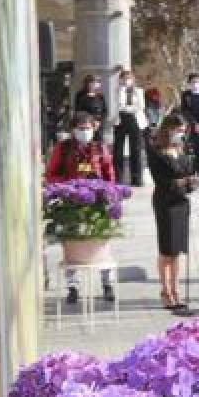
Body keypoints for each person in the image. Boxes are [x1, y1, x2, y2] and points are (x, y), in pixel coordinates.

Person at [46, 111, 118, 303]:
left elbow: (109, 175)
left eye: (88, 128)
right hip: (71, 203)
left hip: (98, 203)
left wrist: (107, 190)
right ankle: (72, 287)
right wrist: (71, 185)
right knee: (71, 244)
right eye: (81, 129)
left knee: (102, 241)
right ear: (73, 129)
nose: (85, 132)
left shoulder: (100, 149)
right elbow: (51, 175)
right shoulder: (63, 149)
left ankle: (107, 283)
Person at [147, 115, 199, 309]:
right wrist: (182, 182)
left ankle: (176, 290)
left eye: (183, 130)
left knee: (177, 251)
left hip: (182, 203)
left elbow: (188, 174)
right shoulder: (157, 152)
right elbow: (162, 182)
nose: (181, 133)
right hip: (166, 203)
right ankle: (165, 291)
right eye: (178, 130)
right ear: (168, 130)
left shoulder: (182, 150)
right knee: (166, 250)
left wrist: (194, 183)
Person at [114, 69, 148, 187]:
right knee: (118, 150)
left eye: (129, 78)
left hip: (135, 120)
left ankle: (137, 177)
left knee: (136, 149)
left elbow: (141, 106)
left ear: (133, 80)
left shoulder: (139, 91)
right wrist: (122, 90)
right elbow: (120, 105)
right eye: (124, 78)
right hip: (121, 120)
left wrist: (128, 108)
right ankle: (118, 177)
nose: (126, 81)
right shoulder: (118, 90)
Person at [180, 73, 199, 179]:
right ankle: (191, 175)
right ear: (189, 84)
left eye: (197, 81)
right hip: (191, 127)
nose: (195, 84)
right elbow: (184, 110)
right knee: (190, 153)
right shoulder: (186, 95)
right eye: (193, 82)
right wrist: (194, 124)